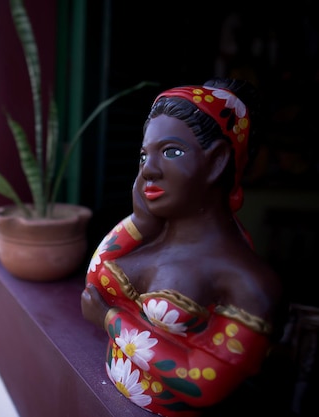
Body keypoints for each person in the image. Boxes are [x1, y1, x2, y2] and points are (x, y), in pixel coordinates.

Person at [81, 78, 284, 417]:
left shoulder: (248, 282)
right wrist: (139, 221)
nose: (149, 170)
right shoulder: (149, 235)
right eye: (144, 155)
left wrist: (111, 319)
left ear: (217, 161)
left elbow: (203, 382)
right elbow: (95, 280)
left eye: (171, 152)